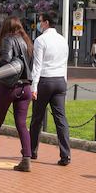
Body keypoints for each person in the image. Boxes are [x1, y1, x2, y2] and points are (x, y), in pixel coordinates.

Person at [0, 16, 34, 172]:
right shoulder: (27, 42)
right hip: (25, 87)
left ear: (6, 27)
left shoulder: (8, 40)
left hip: (9, 87)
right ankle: (26, 158)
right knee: (22, 124)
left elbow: (7, 61)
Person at [28, 11, 71, 166]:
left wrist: (34, 87)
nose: (39, 24)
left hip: (45, 81)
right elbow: (65, 63)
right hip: (60, 81)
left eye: (40, 21)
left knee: (37, 119)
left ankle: (32, 151)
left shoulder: (40, 40)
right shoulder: (63, 40)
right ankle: (65, 155)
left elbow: (37, 66)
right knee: (61, 119)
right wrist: (64, 82)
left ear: (46, 22)